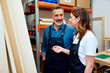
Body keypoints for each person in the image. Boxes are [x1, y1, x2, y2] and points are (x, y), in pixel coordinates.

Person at [52, 8, 98, 73]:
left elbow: (89, 66)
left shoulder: (89, 37)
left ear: (78, 19)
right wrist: (62, 49)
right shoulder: (77, 35)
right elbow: (75, 54)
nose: (69, 20)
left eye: (71, 17)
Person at [41, 6, 76, 73]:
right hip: (49, 65)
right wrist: (43, 57)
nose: (59, 18)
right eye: (56, 15)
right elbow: (43, 46)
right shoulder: (47, 30)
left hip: (64, 66)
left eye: (61, 15)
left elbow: (76, 49)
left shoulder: (71, 30)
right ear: (52, 16)